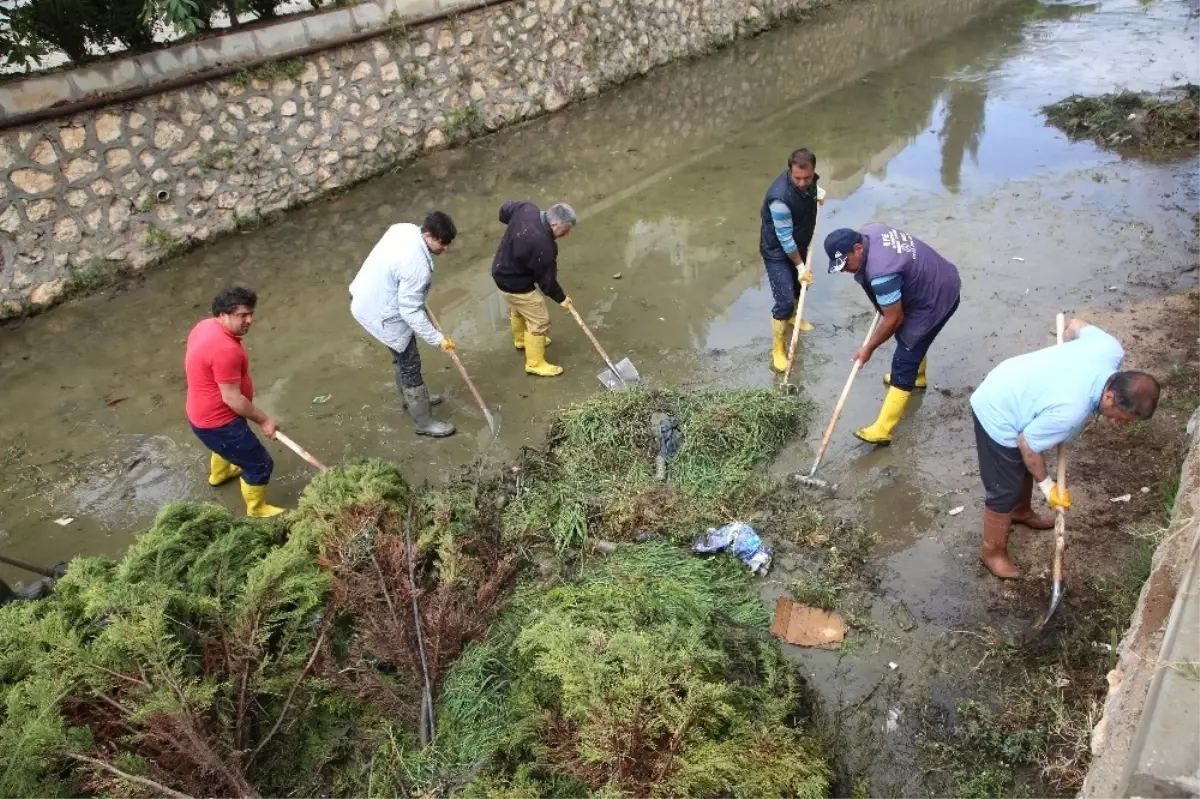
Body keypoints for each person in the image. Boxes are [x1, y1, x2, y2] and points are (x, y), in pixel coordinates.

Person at [969, 320, 1159, 578]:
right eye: (1120, 416)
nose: (1120, 422)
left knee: (1023, 464)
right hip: (998, 404)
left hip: (1022, 385)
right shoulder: (1072, 410)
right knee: (1005, 485)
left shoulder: (1109, 349)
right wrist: (1048, 488)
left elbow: (1074, 324)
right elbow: (1027, 444)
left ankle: (1021, 511)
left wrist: (1066, 357)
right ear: (1110, 397)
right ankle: (992, 553)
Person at [824, 224, 961, 445]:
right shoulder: (874, 232)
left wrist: (868, 347)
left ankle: (883, 429)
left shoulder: (882, 273)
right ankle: (918, 378)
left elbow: (894, 318)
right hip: (938, 276)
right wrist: (885, 299)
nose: (844, 269)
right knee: (908, 337)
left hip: (937, 297)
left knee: (905, 356)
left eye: (845, 263)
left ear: (858, 248)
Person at [350, 211, 458, 438]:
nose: (445, 248)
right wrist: (439, 340)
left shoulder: (405, 228)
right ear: (428, 234)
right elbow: (410, 312)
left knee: (400, 357)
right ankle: (424, 421)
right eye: (442, 242)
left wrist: (412, 292)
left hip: (369, 296)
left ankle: (411, 401)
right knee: (409, 362)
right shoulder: (417, 265)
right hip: (383, 313)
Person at [185, 286, 284, 518]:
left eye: (251, 313)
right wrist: (264, 420)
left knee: (224, 448)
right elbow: (233, 399)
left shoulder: (204, 326)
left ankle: (220, 475)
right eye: (242, 315)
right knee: (260, 464)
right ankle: (257, 509)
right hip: (220, 422)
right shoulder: (224, 349)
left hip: (199, 413)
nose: (250, 320)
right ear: (223, 314)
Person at [491, 201, 577, 377]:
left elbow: (504, 211)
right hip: (515, 281)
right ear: (554, 224)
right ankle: (535, 363)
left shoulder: (526, 209)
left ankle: (521, 340)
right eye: (566, 230)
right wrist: (561, 299)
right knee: (539, 317)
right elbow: (547, 282)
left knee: (520, 307)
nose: (567, 234)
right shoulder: (544, 246)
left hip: (500, 270)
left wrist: (516, 228)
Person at [761, 148, 826, 373]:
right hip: (778, 251)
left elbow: (809, 189)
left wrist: (816, 191)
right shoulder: (779, 199)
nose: (802, 182)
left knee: (800, 287)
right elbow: (785, 241)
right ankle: (777, 349)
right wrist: (799, 267)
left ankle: (793, 318)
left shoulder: (809, 182)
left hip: (799, 242)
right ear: (790, 170)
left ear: (813, 170)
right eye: (797, 178)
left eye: (807, 178)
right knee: (784, 299)